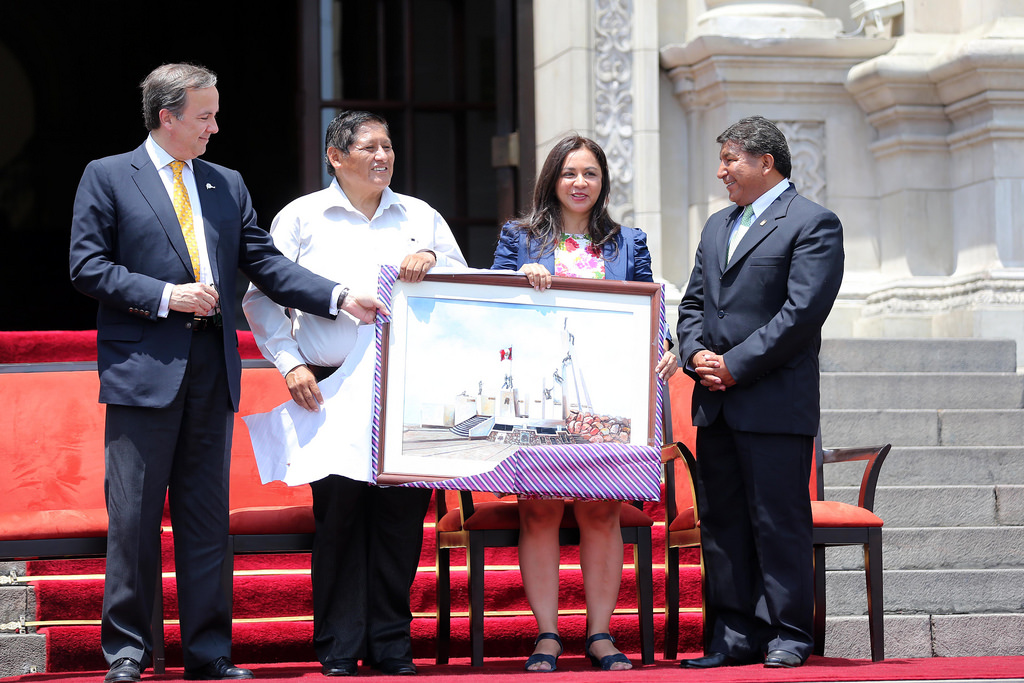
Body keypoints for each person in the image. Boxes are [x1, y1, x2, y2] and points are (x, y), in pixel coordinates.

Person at [69, 64, 382, 683]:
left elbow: (264, 262)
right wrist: (167, 295)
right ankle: (128, 652)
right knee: (133, 519)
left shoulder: (225, 183)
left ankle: (210, 652)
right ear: (168, 117)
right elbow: (86, 267)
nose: (216, 126)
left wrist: (339, 296)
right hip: (143, 372)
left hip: (213, 373)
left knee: (207, 519)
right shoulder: (107, 176)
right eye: (205, 115)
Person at [243, 110, 467, 677]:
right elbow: (260, 297)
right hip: (329, 383)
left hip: (407, 390)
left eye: (388, 146)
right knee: (339, 516)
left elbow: (467, 290)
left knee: (399, 519)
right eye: (369, 147)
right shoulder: (302, 216)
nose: (382, 156)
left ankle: (392, 643)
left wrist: (434, 261)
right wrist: (289, 362)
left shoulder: (420, 216)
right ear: (335, 157)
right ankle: (340, 645)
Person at [491, 134, 677, 672]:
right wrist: (516, 281)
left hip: (608, 395)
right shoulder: (518, 237)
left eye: (590, 174)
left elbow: (650, 309)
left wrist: (665, 348)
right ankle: (547, 635)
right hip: (539, 392)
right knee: (540, 510)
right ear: (552, 178)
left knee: (600, 511)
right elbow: (490, 305)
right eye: (570, 173)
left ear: (603, 182)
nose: (579, 183)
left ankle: (600, 635)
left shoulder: (627, 241)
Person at [676, 115, 844, 669]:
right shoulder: (717, 226)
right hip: (716, 405)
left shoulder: (814, 224)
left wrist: (734, 365)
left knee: (779, 523)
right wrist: (695, 353)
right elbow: (694, 305)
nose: (722, 171)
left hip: (772, 403)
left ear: (765, 161)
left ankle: (789, 634)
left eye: (730, 160)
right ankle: (733, 636)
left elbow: (800, 316)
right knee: (723, 527)